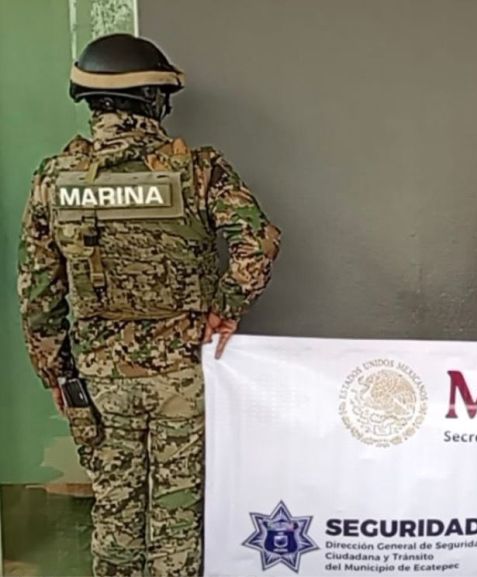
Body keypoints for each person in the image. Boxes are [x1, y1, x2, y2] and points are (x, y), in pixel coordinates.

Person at [17, 33, 281, 576]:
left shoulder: (54, 179)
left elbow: (38, 294)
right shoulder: (198, 170)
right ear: (153, 100)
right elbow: (258, 242)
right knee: (177, 516)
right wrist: (225, 308)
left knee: (114, 511)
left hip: (101, 379)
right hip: (182, 373)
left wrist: (57, 374)